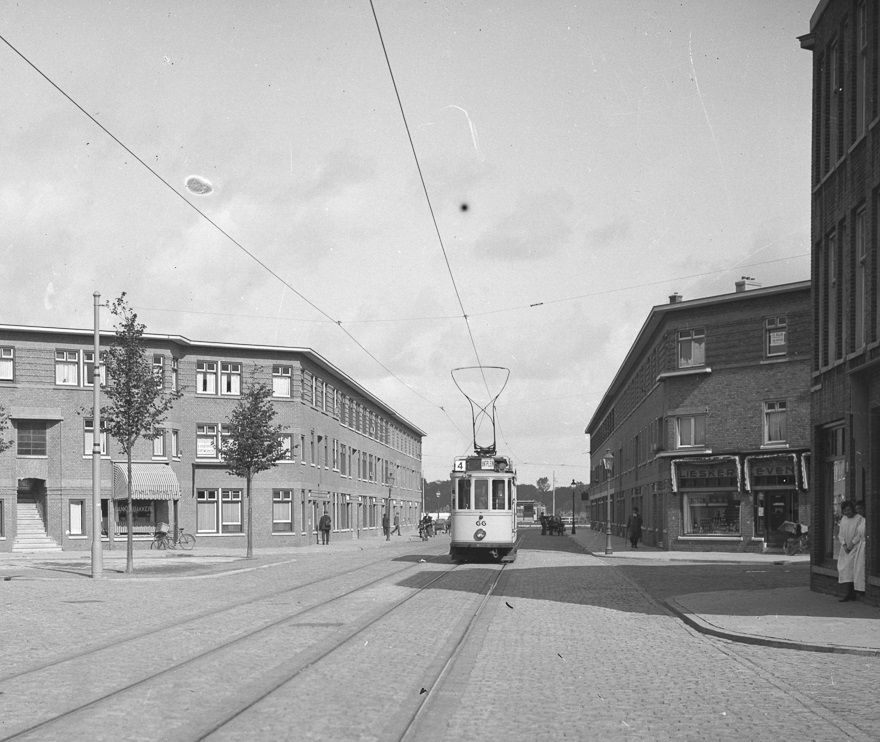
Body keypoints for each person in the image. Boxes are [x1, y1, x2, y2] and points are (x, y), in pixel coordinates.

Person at [837, 500, 865, 601]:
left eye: (849, 510)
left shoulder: (859, 518)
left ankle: (853, 591)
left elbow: (859, 533)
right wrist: (844, 545)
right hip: (845, 548)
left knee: (851, 567)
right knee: (845, 569)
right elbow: (840, 534)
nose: (847, 512)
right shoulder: (843, 519)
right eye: (845, 511)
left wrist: (851, 545)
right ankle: (850, 591)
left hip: (855, 547)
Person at [854, 500, 867, 598]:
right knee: (859, 568)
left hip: (867, 546)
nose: (859, 511)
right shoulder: (862, 520)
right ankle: (860, 588)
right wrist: (851, 545)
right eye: (857, 509)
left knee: (864, 567)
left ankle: (864, 588)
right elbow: (858, 535)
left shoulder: (869, 519)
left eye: (861, 509)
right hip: (861, 547)